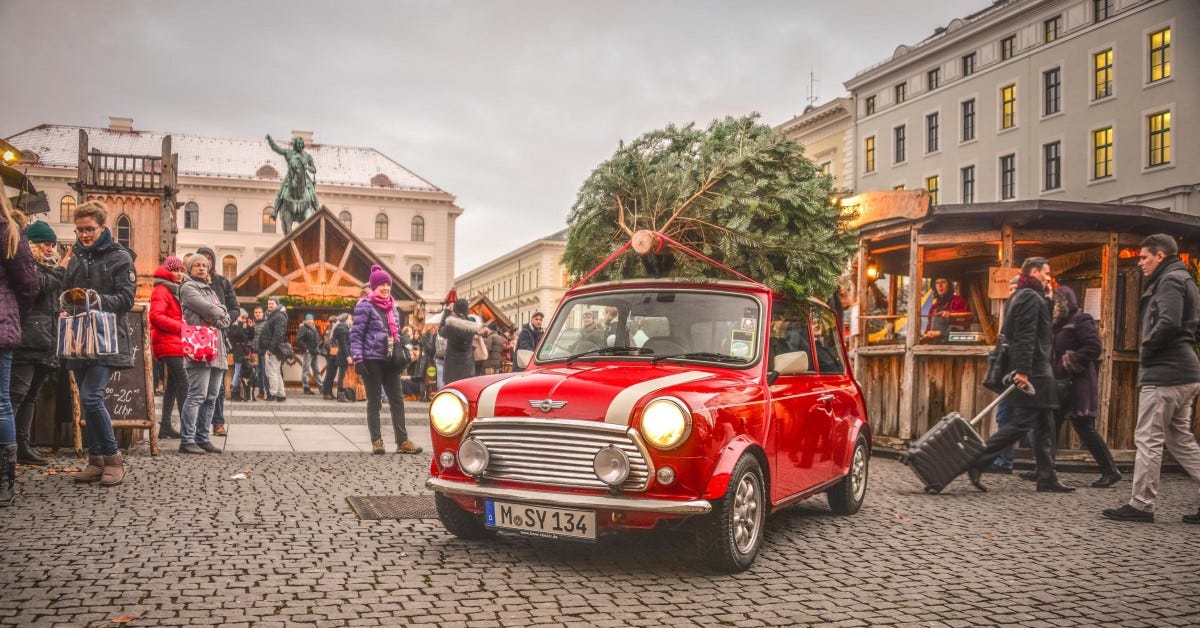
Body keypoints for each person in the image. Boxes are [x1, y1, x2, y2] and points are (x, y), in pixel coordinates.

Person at [1104, 234, 1200, 524]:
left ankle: (1142, 504)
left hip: (1165, 372)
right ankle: (1141, 502)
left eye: (1144, 257)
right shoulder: (1186, 280)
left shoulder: (1169, 280)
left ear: (1160, 255)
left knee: (1148, 438)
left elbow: (1168, 322)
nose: (1140, 262)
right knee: (1180, 440)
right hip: (1184, 370)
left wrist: (1147, 349)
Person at [964, 257, 1073, 493]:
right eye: (1046, 273)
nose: (1048, 277)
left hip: (1038, 369)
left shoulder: (1027, 295)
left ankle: (1047, 477)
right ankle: (978, 460)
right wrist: (1023, 371)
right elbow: (1025, 336)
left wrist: (1048, 300)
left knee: (1045, 423)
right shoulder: (1027, 297)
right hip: (1033, 371)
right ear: (1034, 272)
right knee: (1021, 423)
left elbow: (1036, 331)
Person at [61, 201, 136, 486]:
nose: (84, 235)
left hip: (107, 337)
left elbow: (126, 299)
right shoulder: (75, 255)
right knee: (86, 399)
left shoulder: (120, 257)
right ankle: (95, 461)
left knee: (92, 396)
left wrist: (94, 299)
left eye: (89, 229)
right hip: (79, 338)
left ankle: (114, 459)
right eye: (80, 229)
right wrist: (67, 301)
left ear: (103, 227)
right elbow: (63, 288)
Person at [1048, 286, 1122, 488]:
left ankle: (1110, 470)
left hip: (1078, 383)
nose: (1053, 306)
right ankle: (1045, 470)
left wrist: (1072, 361)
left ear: (1064, 303)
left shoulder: (1082, 319)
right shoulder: (1057, 324)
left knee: (1085, 428)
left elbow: (1094, 347)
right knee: (1051, 425)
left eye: (1056, 303)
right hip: (1060, 383)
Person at [8, 220, 65, 466]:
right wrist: (62, 269)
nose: (51, 248)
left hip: (44, 341)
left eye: (53, 243)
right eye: (45, 243)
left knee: (30, 396)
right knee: (15, 396)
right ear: (32, 244)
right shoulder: (27, 264)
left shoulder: (50, 266)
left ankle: (22, 445)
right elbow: (40, 285)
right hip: (28, 340)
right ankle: (8, 448)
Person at [350, 266, 423, 455]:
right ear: (373, 286)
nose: (385, 287)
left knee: (397, 401)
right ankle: (377, 441)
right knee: (374, 402)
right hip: (371, 360)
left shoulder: (393, 307)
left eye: (388, 284)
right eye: (381, 284)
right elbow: (356, 334)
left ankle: (402, 441)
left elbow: (396, 334)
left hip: (390, 360)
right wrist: (358, 358)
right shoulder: (364, 306)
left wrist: (402, 351)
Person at [0, 196, 39, 503]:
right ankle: (4, 481)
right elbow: (28, 284)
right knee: (3, 401)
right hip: (4, 325)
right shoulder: (9, 231)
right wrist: (15, 316)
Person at [178, 253, 230, 454]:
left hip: (217, 348)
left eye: (204, 266)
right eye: (197, 265)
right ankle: (187, 439)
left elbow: (221, 313)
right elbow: (208, 309)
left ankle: (202, 437)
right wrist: (219, 314)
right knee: (197, 395)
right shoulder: (188, 287)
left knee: (212, 397)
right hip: (200, 347)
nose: (201, 268)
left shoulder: (210, 289)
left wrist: (218, 314)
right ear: (189, 269)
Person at [194, 247, 237, 436]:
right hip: (198, 337)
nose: (204, 264)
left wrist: (224, 322)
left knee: (217, 386)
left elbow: (234, 308)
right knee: (199, 385)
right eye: (200, 261)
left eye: (208, 260)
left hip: (219, 336)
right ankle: (198, 426)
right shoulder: (191, 285)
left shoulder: (222, 282)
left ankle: (217, 422)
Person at [149, 256, 187, 439]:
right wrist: (181, 326)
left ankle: (165, 425)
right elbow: (155, 316)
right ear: (168, 271)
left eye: (181, 270)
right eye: (176, 270)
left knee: (172, 385)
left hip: (174, 342)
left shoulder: (173, 289)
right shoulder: (163, 289)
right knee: (184, 383)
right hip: (168, 342)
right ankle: (188, 428)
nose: (179, 274)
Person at [988, 275, 1020, 474]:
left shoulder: (1025, 309)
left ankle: (1045, 467)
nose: (1012, 292)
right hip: (1009, 375)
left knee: (1030, 424)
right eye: (1010, 289)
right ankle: (1003, 461)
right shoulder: (1010, 310)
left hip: (1020, 375)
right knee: (1004, 418)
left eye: (1015, 288)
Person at [439, 299, 482, 385]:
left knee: (452, 393)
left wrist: (447, 312)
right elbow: (469, 318)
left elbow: (440, 330)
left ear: (455, 310)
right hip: (467, 366)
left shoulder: (450, 326)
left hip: (452, 368)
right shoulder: (473, 326)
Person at [258, 297, 289, 402]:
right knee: (276, 371)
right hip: (272, 348)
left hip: (273, 349)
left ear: (277, 304)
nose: (270, 305)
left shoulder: (278, 316)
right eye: (268, 303)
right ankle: (281, 394)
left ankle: (272, 394)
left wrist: (271, 348)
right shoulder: (274, 315)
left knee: (271, 372)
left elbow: (278, 334)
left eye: (272, 303)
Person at [923, 277, 971, 342]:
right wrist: (927, 334)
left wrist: (950, 315)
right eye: (937, 283)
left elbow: (964, 326)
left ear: (949, 285)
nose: (940, 286)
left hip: (954, 345)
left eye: (943, 282)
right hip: (935, 345)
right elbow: (928, 328)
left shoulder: (958, 301)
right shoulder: (933, 307)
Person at [322, 313, 350, 400]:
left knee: (332, 374)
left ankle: (329, 393)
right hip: (332, 354)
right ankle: (326, 393)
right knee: (330, 374)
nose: (334, 323)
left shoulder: (336, 328)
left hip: (335, 354)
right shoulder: (332, 329)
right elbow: (327, 342)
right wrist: (334, 349)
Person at [297, 313, 321, 394]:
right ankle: (306, 387)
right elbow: (298, 339)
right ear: (305, 320)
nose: (309, 321)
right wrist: (305, 348)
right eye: (308, 319)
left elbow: (317, 338)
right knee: (306, 370)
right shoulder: (302, 328)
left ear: (313, 320)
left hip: (314, 352)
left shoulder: (315, 328)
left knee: (316, 370)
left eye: (311, 319)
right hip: (307, 352)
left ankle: (321, 387)